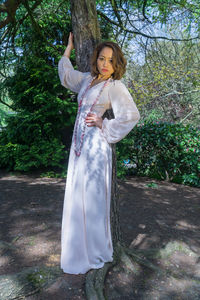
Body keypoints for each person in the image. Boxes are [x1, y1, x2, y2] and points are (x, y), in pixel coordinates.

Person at [58, 32, 140, 275]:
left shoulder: (115, 86)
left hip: (96, 148)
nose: (105, 64)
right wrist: (68, 50)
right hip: (79, 147)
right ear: (96, 60)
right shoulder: (86, 80)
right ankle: (77, 248)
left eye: (111, 61)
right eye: (102, 59)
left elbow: (131, 115)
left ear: (117, 66)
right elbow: (65, 75)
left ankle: (95, 251)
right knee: (77, 194)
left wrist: (104, 123)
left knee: (93, 199)